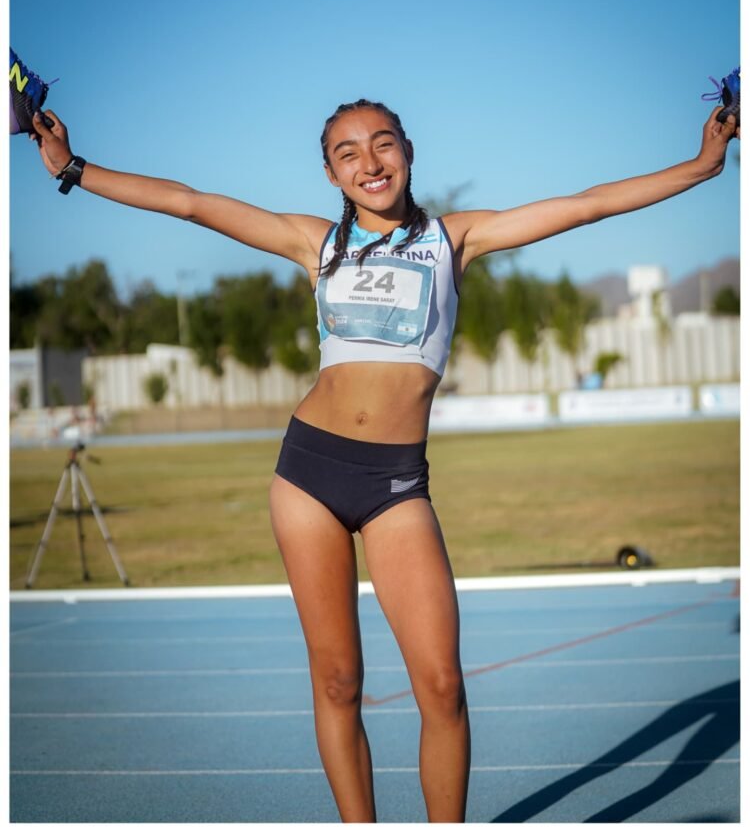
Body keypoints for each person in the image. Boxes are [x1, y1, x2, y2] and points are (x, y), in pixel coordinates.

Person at [28, 98, 738, 822]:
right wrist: (73, 168)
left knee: (442, 686)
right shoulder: (316, 244)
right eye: (347, 153)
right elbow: (190, 203)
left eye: (382, 144)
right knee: (338, 680)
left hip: (397, 483)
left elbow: (587, 206)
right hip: (307, 474)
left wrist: (703, 165)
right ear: (332, 173)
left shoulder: (453, 240)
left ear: (408, 150)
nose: (369, 163)